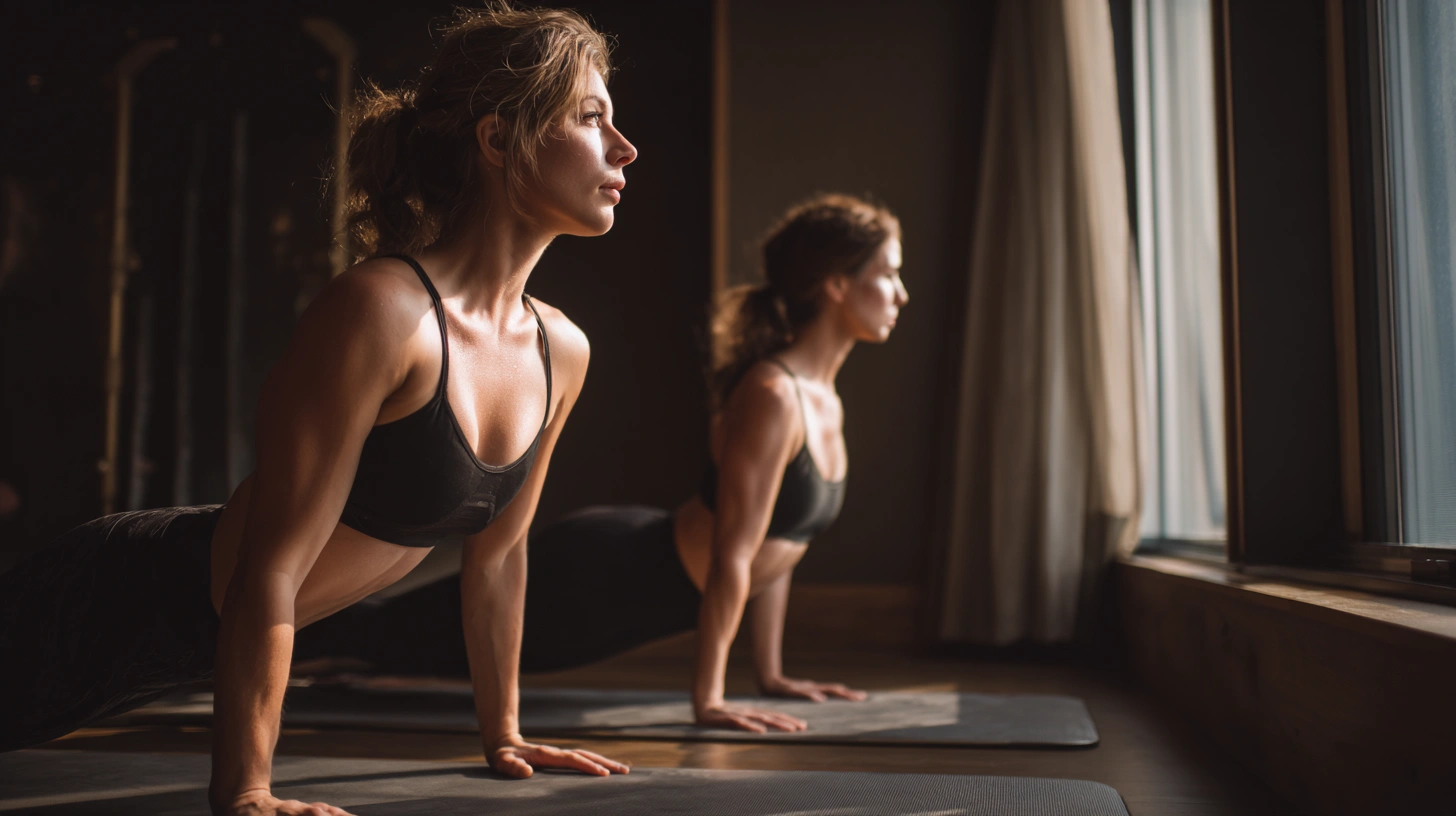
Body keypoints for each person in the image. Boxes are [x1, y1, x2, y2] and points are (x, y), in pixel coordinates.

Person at [0, 4, 637, 814]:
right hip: (113, 603)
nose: (625, 146)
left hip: (194, 659)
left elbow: (499, 559)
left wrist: (503, 733)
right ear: (498, 140)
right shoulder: (382, 310)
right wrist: (247, 791)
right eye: (591, 118)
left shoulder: (563, 350)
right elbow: (270, 565)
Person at [297, 193, 909, 734]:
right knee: (378, 637)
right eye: (889, 274)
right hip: (607, 579)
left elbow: (780, 549)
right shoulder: (774, 394)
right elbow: (735, 554)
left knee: (391, 644)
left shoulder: (820, 397)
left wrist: (771, 675)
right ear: (834, 284)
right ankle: (233, 638)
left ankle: (271, 642)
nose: (901, 293)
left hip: (638, 596)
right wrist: (711, 699)